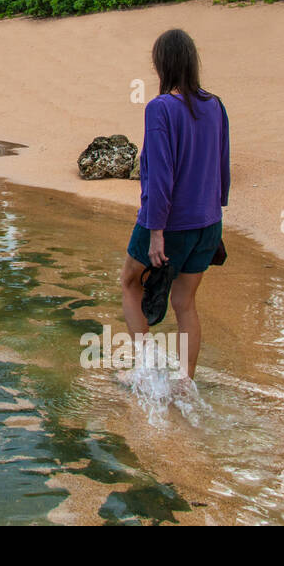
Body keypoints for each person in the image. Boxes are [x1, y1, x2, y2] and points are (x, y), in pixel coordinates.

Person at [119, 28, 229, 383]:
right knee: (184, 303)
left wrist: (155, 233)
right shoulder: (215, 105)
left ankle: (148, 372)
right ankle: (184, 384)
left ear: (160, 64)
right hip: (209, 223)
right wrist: (217, 210)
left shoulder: (160, 108)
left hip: (170, 223)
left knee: (129, 284)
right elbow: (222, 164)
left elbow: (160, 178)